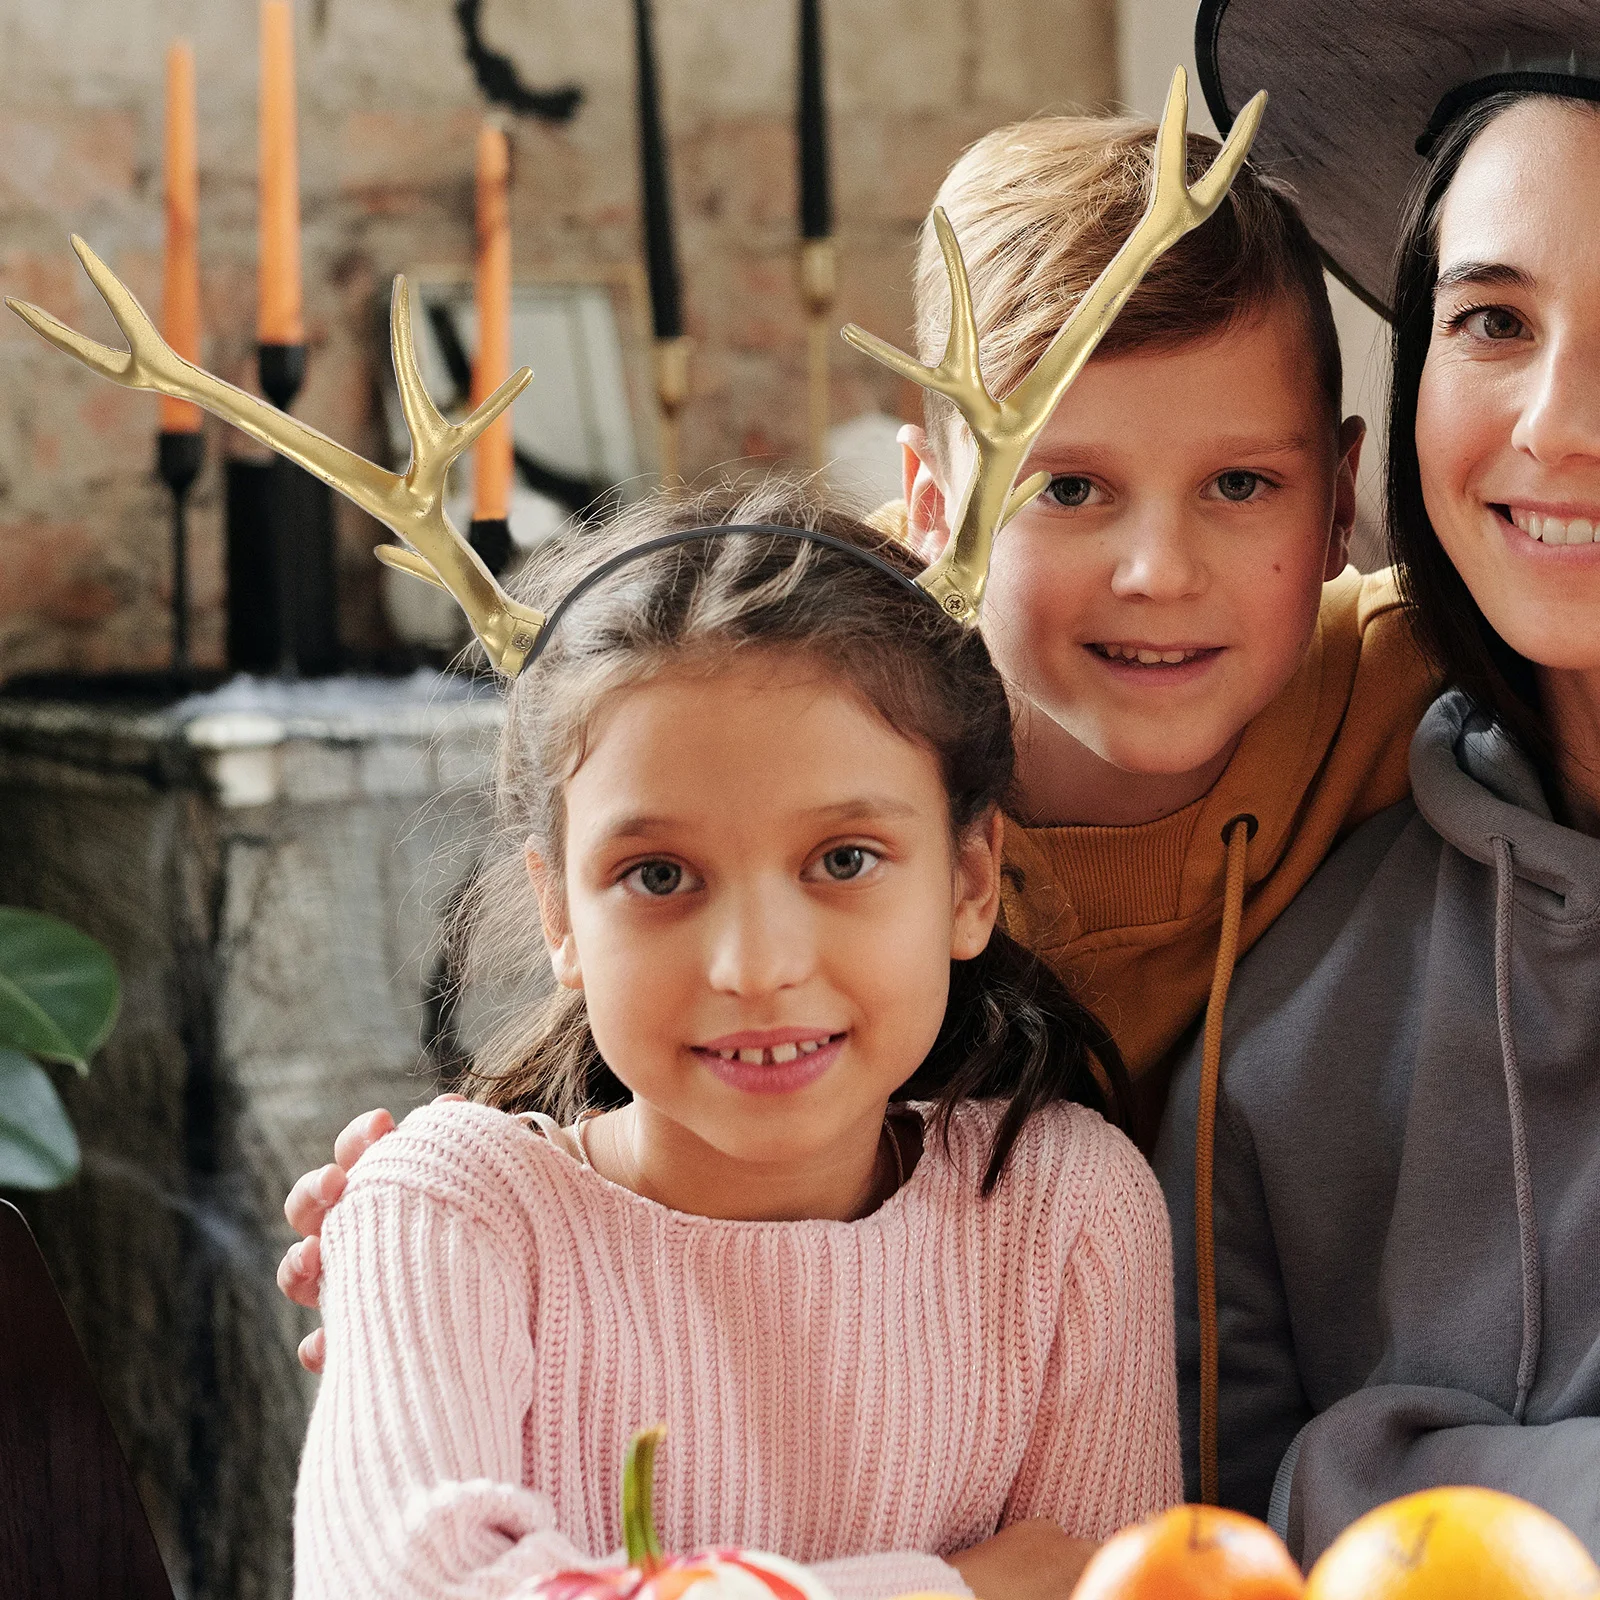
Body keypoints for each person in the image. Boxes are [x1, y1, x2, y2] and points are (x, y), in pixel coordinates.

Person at [280, 110, 1437, 1362]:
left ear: (1338, 500)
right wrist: (458, 1214)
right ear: (933, 506)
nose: (1156, 571)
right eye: (1066, 487)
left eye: (1238, 485)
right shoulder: (815, 694)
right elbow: (666, 976)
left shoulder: (1408, 681)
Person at [293, 482, 1181, 1600]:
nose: (755, 967)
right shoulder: (448, 1211)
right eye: (658, 876)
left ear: (968, 878)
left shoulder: (1065, 1214)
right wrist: (955, 1588)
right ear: (562, 915)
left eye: (844, 859)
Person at [1157, 17, 1600, 1562]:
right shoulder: (1273, 1040)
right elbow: (1199, 1540)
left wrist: (1387, 1466)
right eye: (1491, 322)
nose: (1558, 427)